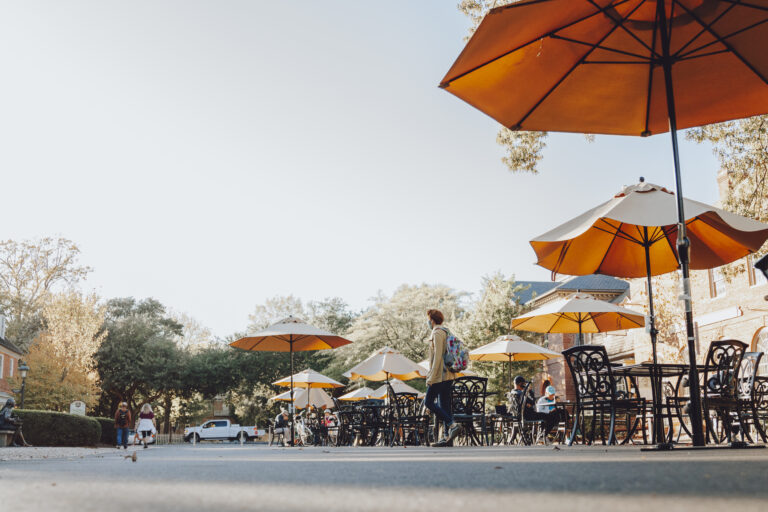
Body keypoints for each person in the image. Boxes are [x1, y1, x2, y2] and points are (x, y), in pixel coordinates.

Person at [423, 308, 462, 447]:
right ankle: (447, 439)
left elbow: (438, 357)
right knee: (444, 405)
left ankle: (452, 425)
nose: (427, 322)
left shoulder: (437, 333)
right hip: (449, 375)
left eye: (428, 319)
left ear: (432, 320)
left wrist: (431, 377)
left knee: (428, 402)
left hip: (441, 375)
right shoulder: (446, 331)